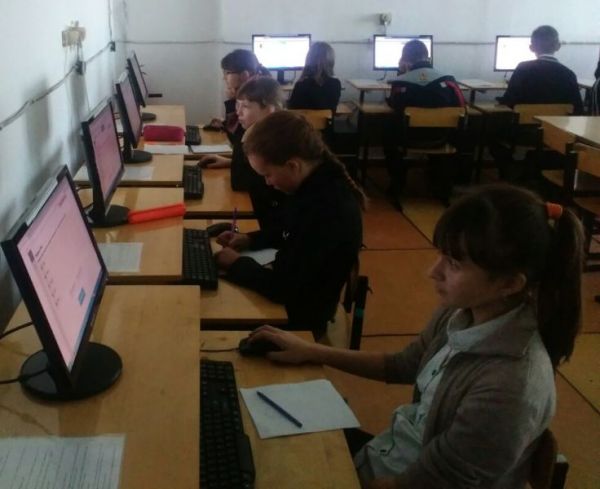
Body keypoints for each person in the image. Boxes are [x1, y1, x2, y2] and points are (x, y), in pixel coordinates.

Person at [245, 184, 584, 489]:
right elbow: (403, 365)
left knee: (262, 461)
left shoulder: (511, 385)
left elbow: (437, 478)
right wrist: (312, 350)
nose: (433, 272)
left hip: (401, 477)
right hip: (390, 452)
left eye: (453, 264)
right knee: (251, 435)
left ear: (510, 284)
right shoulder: (463, 312)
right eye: (441, 255)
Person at [214, 111, 365, 338]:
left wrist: (237, 264)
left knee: (214, 309)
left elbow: (283, 288)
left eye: (268, 175)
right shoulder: (313, 184)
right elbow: (287, 230)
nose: (267, 183)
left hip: (301, 317)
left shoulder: (325, 208)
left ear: (293, 166)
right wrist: (250, 239)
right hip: (297, 295)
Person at [384, 39, 465, 210]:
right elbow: (462, 107)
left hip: (408, 139)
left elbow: (394, 105)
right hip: (441, 138)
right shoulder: (449, 81)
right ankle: (442, 185)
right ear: (428, 57)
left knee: (386, 131)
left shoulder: (401, 82)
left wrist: (401, 73)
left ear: (405, 59)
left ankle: (397, 183)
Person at [498, 25, 583, 114]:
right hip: (556, 122)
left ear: (531, 48)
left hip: (525, 122)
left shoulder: (522, 69)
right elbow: (578, 109)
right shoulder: (569, 74)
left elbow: (509, 102)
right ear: (558, 46)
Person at [203, 49, 270, 159]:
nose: (224, 77)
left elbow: (237, 139)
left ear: (245, 75)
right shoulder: (253, 91)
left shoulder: (257, 99)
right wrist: (228, 161)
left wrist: (232, 100)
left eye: (227, 73)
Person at [288, 42, 342, 113]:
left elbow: (292, 110)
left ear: (309, 60)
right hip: (326, 120)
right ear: (331, 61)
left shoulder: (301, 85)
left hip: (302, 120)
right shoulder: (336, 84)